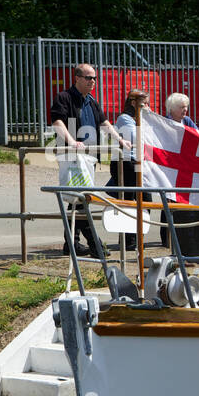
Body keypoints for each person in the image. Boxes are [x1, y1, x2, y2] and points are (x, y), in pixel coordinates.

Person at [49, 62, 130, 256]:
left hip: (88, 158)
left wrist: (119, 139)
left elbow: (104, 123)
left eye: (94, 78)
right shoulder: (64, 97)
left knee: (76, 200)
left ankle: (71, 244)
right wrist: (71, 141)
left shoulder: (91, 101)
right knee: (82, 198)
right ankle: (96, 245)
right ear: (77, 78)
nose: (92, 81)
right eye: (88, 78)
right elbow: (57, 121)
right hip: (72, 157)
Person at [163, 91, 199, 259]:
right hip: (173, 170)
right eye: (182, 107)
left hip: (188, 167)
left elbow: (197, 136)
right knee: (174, 207)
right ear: (172, 109)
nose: (185, 110)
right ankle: (173, 245)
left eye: (186, 107)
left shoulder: (187, 121)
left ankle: (195, 250)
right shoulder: (165, 123)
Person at [112, 88, 151, 251]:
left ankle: (138, 236)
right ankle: (129, 240)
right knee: (128, 201)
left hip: (140, 163)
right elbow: (138, 137)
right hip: (126, 163)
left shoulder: (141, 119)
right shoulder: (125, 119)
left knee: (146, 201)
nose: (147, 107)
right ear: (133, 103)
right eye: (144, 104)